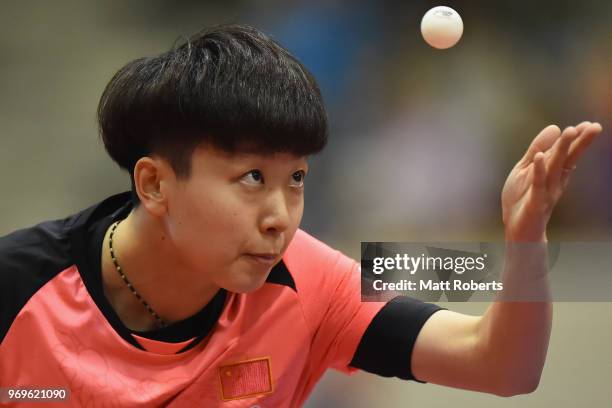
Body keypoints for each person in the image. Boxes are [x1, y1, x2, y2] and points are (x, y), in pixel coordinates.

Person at [0, 24, 603, 407]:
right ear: (155, 183)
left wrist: (525, 242)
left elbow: (504, 368)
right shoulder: (18, 285)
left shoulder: (312, 280)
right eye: (252, 178)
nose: (280, 217)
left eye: (297, 180)